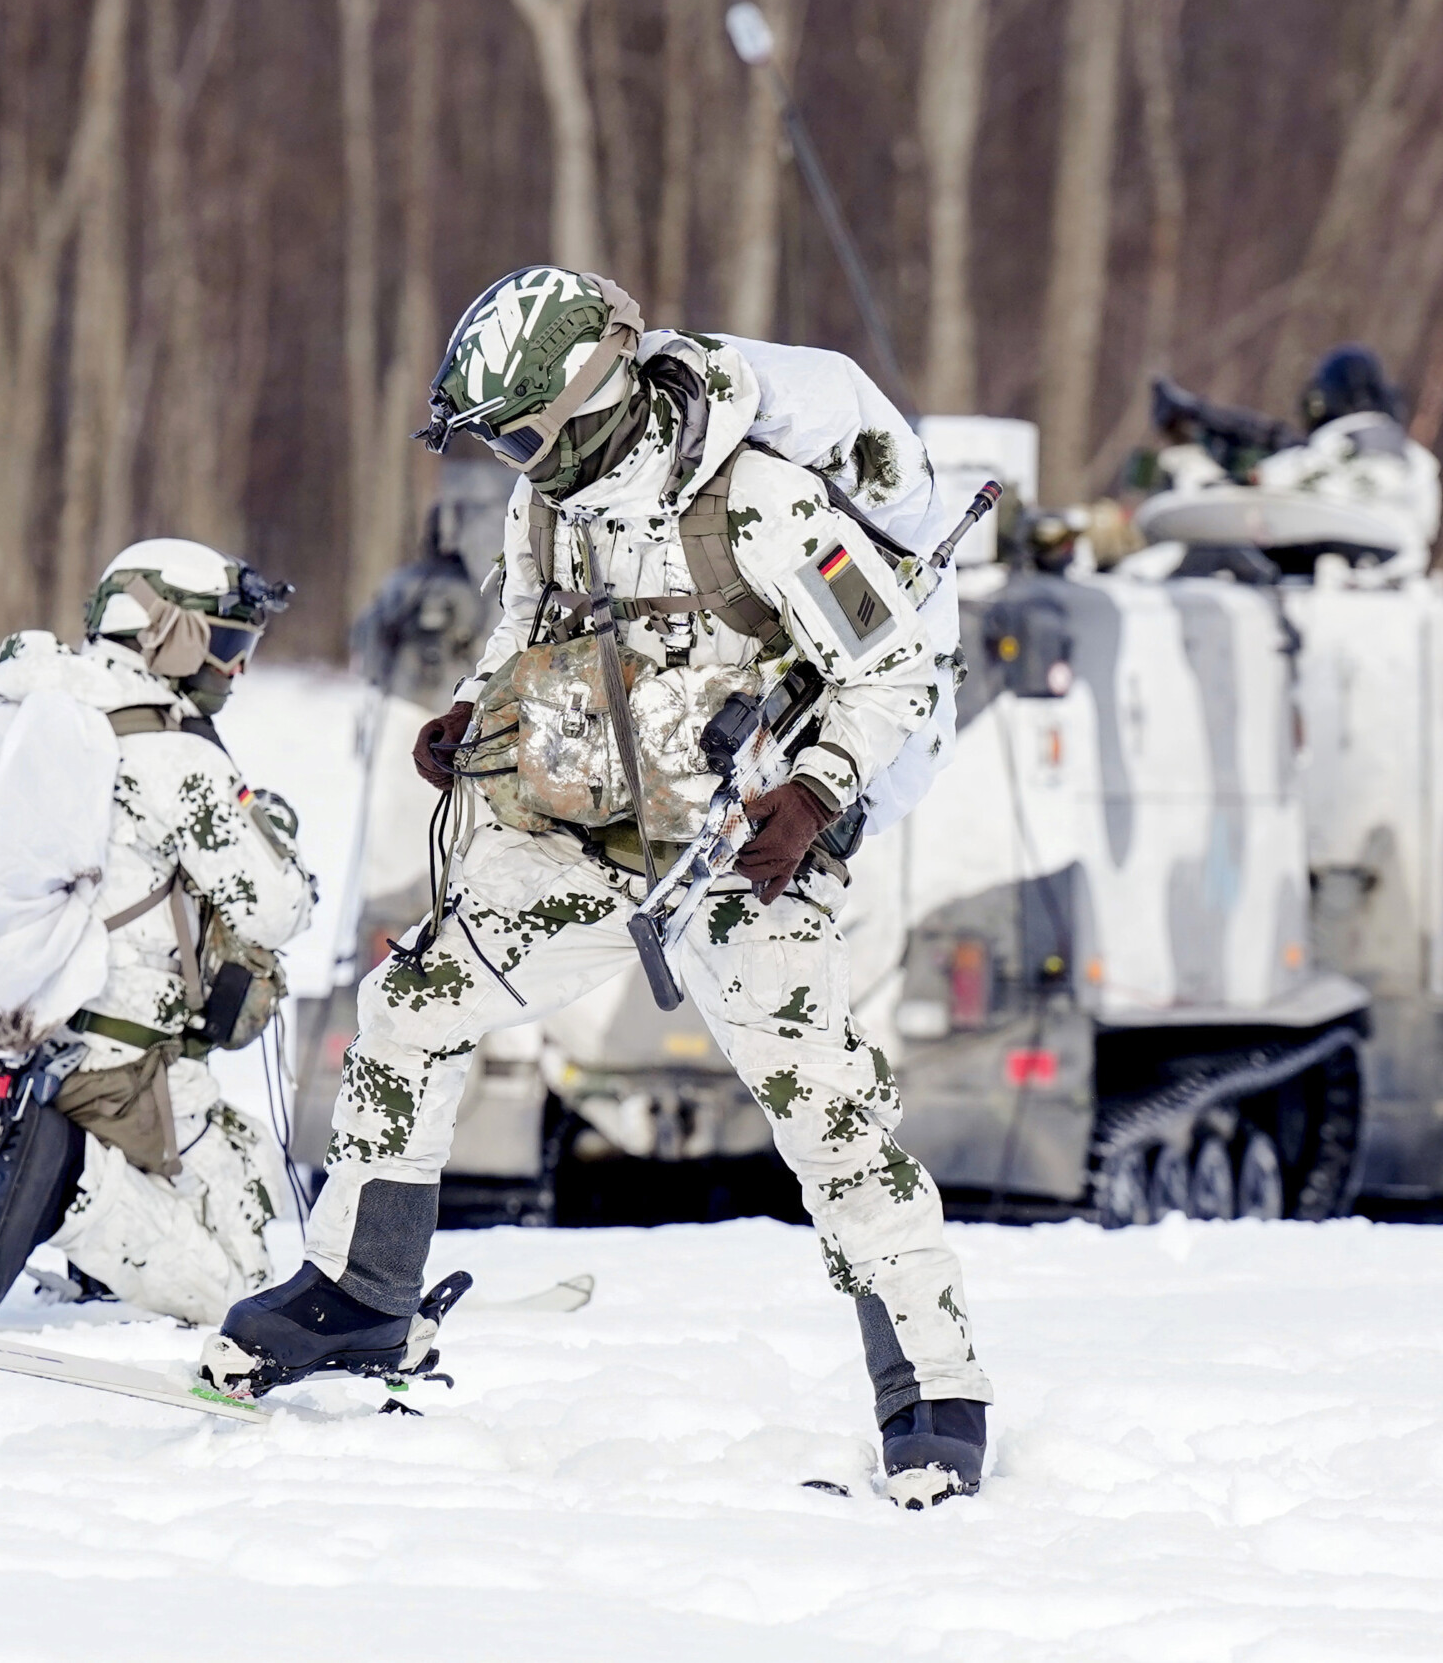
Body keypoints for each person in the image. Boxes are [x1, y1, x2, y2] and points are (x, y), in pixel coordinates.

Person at [203, 267, 996, 1507]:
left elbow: (892, 667)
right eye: (501, 441)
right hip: (579, 834)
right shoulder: (548, 507)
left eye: (526, 432)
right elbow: (523, 622)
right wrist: (472, 708)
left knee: (829, 1115)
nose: (518, 459)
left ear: (593, 397)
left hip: (743, 852)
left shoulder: (759, 505)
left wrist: (815, 792)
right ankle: (360, 1292)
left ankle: (934, 1391)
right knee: (411, 1000)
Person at [0, 539, 315, 1327]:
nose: (236, 669)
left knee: (247, 1168)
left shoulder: (35, 711)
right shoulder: (171, 753)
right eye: (227, 643)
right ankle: (65, 1184)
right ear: (167, 633)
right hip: (120, 1070)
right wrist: (278, 842)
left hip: (11, 1041)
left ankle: (94, 1264)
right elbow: (276, 908)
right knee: (242, 1297)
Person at [1251, 343, 1442, 570]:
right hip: (1402, 572)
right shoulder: (1416, 458)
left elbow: (1271, 479)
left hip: (1328, 568)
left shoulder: (1339, 441)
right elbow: (1427, 525)